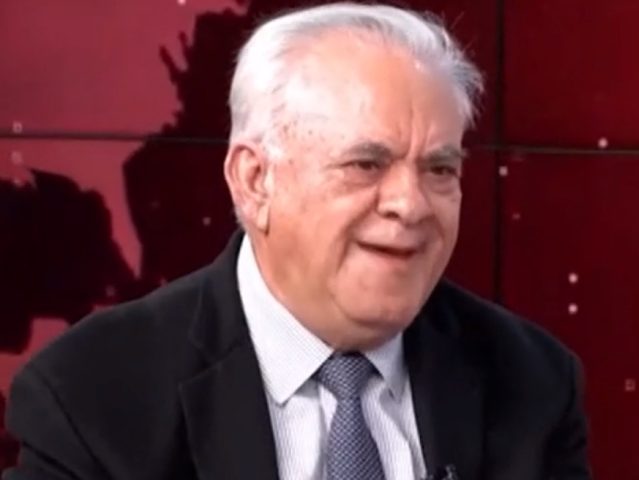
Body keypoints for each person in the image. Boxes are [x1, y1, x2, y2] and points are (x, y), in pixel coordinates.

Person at [3, 3, 592, 479]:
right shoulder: (93, 394)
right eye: (366, 164)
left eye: (440, 169)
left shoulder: (531, 382)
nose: (411, 204)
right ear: (255, 180)